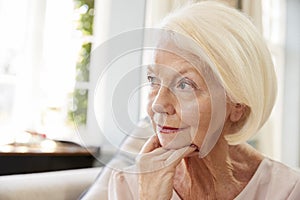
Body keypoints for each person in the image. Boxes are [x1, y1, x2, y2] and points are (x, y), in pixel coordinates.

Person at [82, 1, 300, 199]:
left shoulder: (286, 190)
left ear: (237, 106)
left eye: (184, 85)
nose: (158, 104)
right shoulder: (127, 185)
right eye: (153, 80)